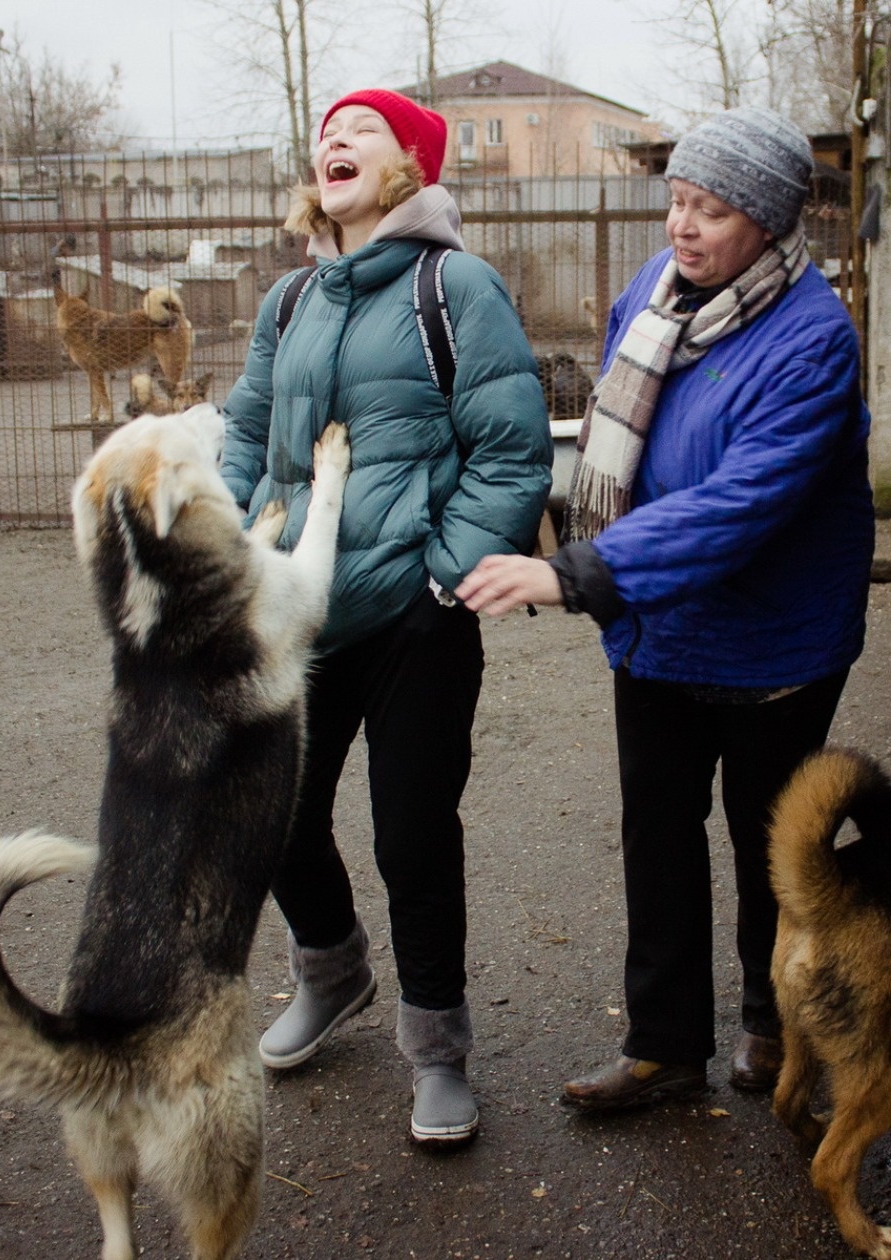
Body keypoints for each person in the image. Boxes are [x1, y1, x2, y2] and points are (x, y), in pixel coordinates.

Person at [456, 106, 874, 1110]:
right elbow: (614, 418)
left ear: (771, 225)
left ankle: (777, 1030)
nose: (683, 226)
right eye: (677, 201)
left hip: (774, 641)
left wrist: (581, 573)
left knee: (770, 846)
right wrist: (561, 524)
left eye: (713, 210)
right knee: (658, 831)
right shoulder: (657, 286)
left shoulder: (813, 340)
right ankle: (664, 1048)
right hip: (658, 629)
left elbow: (740, 506)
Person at [220, 88, 552, 1144]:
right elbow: (244, 433)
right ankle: (333, 969)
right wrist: (236, 548)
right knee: (265, 817)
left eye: (358, 131)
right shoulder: (290, 301)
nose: (333, 144)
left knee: (412, 838)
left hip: (414, 617)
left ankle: (438, 1050)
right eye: (324, 134)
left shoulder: (454, 286)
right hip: (293, 614)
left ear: (408, 162)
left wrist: (441, 572)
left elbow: (511, 449)